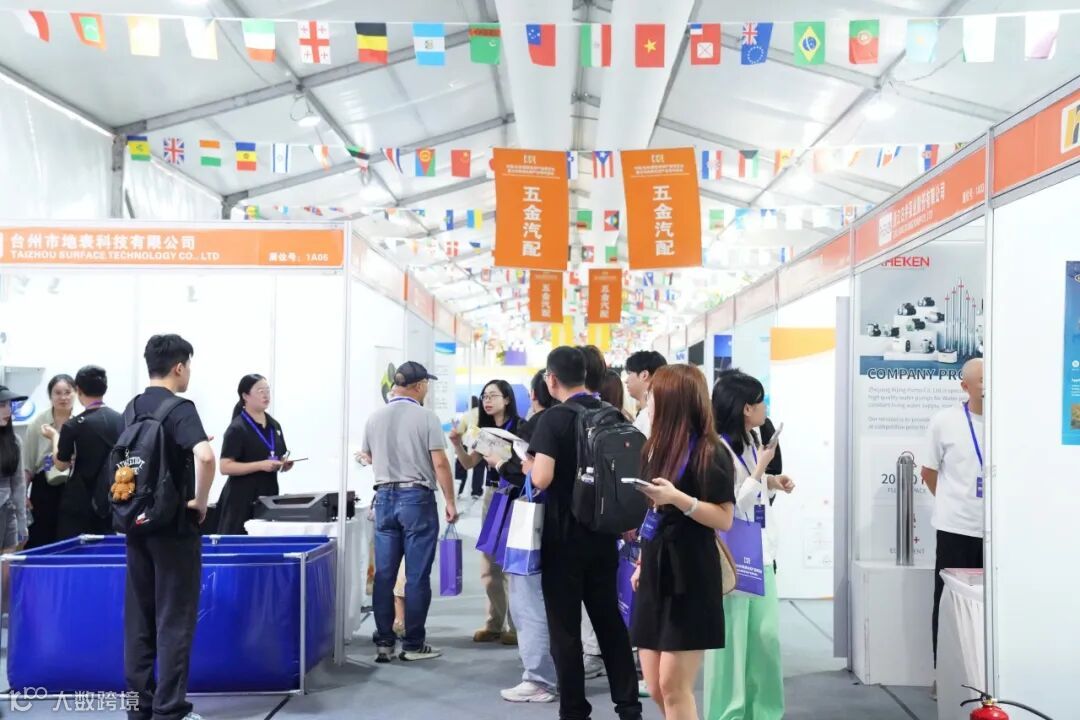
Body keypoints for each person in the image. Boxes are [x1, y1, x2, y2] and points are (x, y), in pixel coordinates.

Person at [528, 346, 644, 720]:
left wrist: (525, 465)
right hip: (603, 533)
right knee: (609, 621)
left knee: (565, 631)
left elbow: (542, 478)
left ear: (552, 379)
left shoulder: (553, 419)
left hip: (563, 537)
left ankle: (575, 711)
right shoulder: (612, 413)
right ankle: (629, 706)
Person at [629, 364, 736, 720]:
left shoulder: (710, 452)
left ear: (673, 401)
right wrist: (642, 561)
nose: (648, 404)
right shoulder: (654, 448)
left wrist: (679, 499)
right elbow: (654, 513)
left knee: (674, 686)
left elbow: (723, 518)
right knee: (656, 686)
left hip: (691, 574)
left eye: (653, 397)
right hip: (655, 568)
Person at [124, 334, 216, 720]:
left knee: (139, 622)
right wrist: (200, 500)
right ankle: (170, 710)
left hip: (136, 523)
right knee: (174, 621)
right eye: (188, 366)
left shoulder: (132, 407)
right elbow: (206, 457)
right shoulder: (181, 408)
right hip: (173, 527)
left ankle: (138, 708)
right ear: (179, 367)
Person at [705, 369, 795, 720]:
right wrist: (760, 472)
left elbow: (751, 489)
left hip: (761, 551)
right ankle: (728, 713)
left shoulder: (754, 439)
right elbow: (729, 504)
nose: (764, 408)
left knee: (765, 637)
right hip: (733, 552)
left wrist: (771, 480)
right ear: (745, 408)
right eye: (760, 402)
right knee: (730, 643)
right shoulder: (717, 448)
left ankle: (765, 711)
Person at [363, 361, 459, 663]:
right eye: (426, 384)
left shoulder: (374, 417)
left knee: (384, 575)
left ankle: (384, 642)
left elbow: (368, 455)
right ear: (419, 386)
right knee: (416, 576)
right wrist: (450, 502)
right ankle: (414, 645)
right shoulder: (426, 417)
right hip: (416, 498)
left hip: (383, 498)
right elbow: (440, 463)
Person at [483, 370, 559, 703]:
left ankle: (539, 678)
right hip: (571, 525)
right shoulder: (583, 420)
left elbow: (528, 474)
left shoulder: (540, 425)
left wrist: (502, 465)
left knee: (528, 599)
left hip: (531, 521)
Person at [922, 358, 985, 688]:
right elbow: (928, 472)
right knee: (948, 603)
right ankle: (943, 676)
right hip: (955, 530)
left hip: (996, 532)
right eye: (982, 380)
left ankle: (987, 675)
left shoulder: (1008, 420)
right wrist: (952, 503)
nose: (988, 386)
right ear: (965, 386)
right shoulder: (944, 421)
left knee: (992, 605)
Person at [449, 379, 523, 645]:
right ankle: (494, 622)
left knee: (513, 563)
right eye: (484, 396)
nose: (487, 401)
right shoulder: (482, 432)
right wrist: (457, 445)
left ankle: (516, 626)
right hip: (492, 496)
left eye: (493, 395)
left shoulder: (521, 428)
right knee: (489, 562)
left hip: (516, 497)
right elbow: (469, 463)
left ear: (507, 399)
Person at [48, 365, 124, 539]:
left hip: (79, 500)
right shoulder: (121, 420)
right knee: (105, 546)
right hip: (111, 498)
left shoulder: (73, 425)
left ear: (79, 390)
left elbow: (61, 464)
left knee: (74, 549)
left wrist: (54, 437)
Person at [217, 374, 296, 535]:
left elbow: (277, 455)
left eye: (267, 390)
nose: (266, 395)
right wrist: (260, 465)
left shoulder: (274, 426)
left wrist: (283, 464)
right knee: (241, 543)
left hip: (268, 497)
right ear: (245, 396)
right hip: (241, 499)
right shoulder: (237, 428)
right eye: (260, 391)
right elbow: (225, 467)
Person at [22, 374, 75, 548]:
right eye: (57, 393)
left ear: (76, 393)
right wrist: (23, 495)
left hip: (73, 486)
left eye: (67, 392)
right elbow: (28, 464)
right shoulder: (38, 423)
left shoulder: (82, 421)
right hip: (44, 487)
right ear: (50, 396)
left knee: (69, 539)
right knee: (41, 538)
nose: (63, 397)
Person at [0, 386, 30, 557]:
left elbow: (18, 484)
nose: (7, 411)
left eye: (9, 405)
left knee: (7, 566)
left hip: (7, 511)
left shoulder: (14, 441)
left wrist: (22, 523)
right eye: (2, 405)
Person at [625, 351, 667, 438]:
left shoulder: (649, 417)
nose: (626, 380)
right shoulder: (658, 412)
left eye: (629, 373)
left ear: (644, 375)